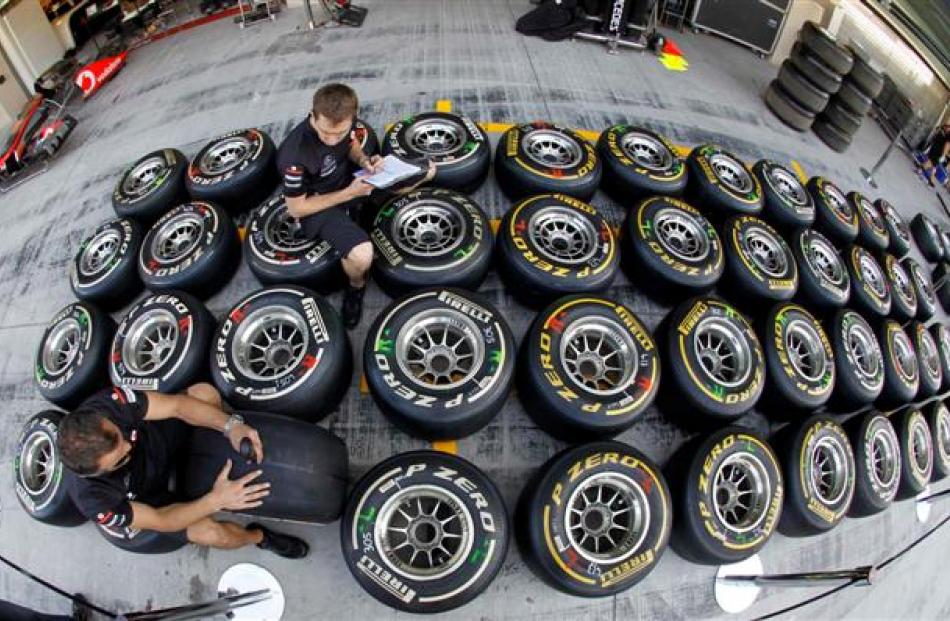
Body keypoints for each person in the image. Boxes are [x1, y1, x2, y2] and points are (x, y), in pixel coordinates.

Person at [58, 384, 308, 558]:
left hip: (157, 442)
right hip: (148, 497)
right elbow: (161, 521)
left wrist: (230, 426)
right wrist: (216, 501)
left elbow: (177, 406)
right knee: (214, 534)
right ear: (95, 472)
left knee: (204, 393)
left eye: (121, 435)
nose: (128, 444)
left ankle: (232, 430)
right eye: (119, 456)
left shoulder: (108, 405)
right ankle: (259, 537)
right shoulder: (95, 500)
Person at [276, 83, 435, 328]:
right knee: (362, 255)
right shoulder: (295, 156)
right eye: (325, 132)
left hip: (350, 180)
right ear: (313, 116)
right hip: (318, 204)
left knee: (427, 171)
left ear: (352, 118)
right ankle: (356, 288)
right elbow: (296, 209)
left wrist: (365, 160)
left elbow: (350, 145)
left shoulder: (345, 126)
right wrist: (348, 194)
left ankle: (364, 208)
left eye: (338, 133)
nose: (331, 139)